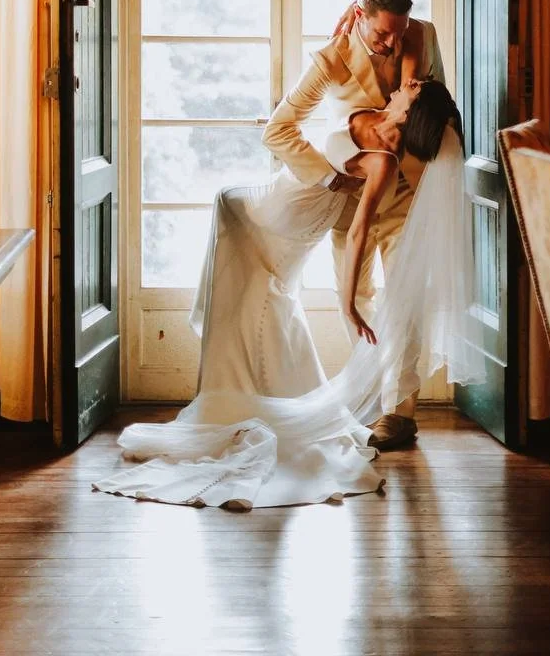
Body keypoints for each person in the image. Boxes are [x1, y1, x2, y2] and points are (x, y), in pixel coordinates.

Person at [93, 77, 481, 510]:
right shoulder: (371, 107)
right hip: (284, 193)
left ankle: (232, 394)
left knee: (233, 224)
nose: (408, 80)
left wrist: (348, 303)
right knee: (247, 280)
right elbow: (304, 123)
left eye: (414, 87)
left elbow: (358, 233)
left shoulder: (384, 162)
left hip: (291, 215)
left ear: (410, 112)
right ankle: (238, 390)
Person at [262, 0, 444, 451]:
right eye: (382, 33)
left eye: (398, 32)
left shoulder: (420, 36)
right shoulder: (330, 59)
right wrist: (329, 177)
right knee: (357, 297)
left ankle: (398, 413)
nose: (391, 43)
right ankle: (368, 395)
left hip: (406, 191)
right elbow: (278, 130)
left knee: (406, 298)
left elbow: (433, 96)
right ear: (359, 16)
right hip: (354, 193)